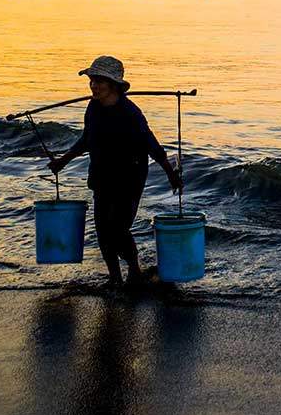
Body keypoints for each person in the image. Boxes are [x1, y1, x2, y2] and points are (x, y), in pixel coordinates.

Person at [47, 55, 183, 286]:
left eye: (99, 81)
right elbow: (87, 139)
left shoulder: (130, 113)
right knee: (102, 230)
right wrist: (63, 161)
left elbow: (151, 144)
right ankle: (114, 278)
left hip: (130, 176)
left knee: (118, 229)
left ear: (113, 85)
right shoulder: (93, 108)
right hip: (101, 174)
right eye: (92, 80)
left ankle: (134, 271)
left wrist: (171, 174)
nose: (93, 86)